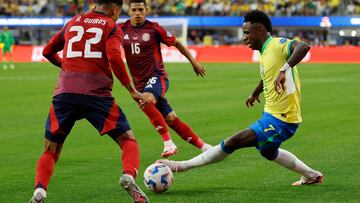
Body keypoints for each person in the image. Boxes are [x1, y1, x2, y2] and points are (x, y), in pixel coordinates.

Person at [158, 10, 324, 186]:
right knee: (268, 152)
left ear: (260, 31)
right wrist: (255, 92)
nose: (244, 37)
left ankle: (181, 166)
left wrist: (284, 69)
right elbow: (268, 75)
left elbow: (303, 46)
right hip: (272, 114)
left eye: (247, 33)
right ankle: (311, 175)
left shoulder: (276, 45)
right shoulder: (266, 50)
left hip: (283, 119)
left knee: (233, 141)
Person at [29, 1, 150, 203]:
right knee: (127, 139)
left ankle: (39, 191)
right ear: (115, 9)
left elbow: (47, 51)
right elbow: (114, 57)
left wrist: (66, 67)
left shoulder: (73, 21)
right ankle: (129, 176)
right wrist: (131, 89)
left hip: (65, 94)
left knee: (50, 150)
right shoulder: (111, 26)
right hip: (97, 94)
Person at [119, 0, 212, 157]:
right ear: (128, 11)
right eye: (134, 10)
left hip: (157, 77)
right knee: (170, 118)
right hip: (139, 84)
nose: (137, 13)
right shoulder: (121, 29)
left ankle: (168, 143)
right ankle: (205, 148)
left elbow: (177, 43)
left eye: (140, 9)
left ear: (146, 10)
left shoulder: (154, 28)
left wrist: (194, 62)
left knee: (146, 100)